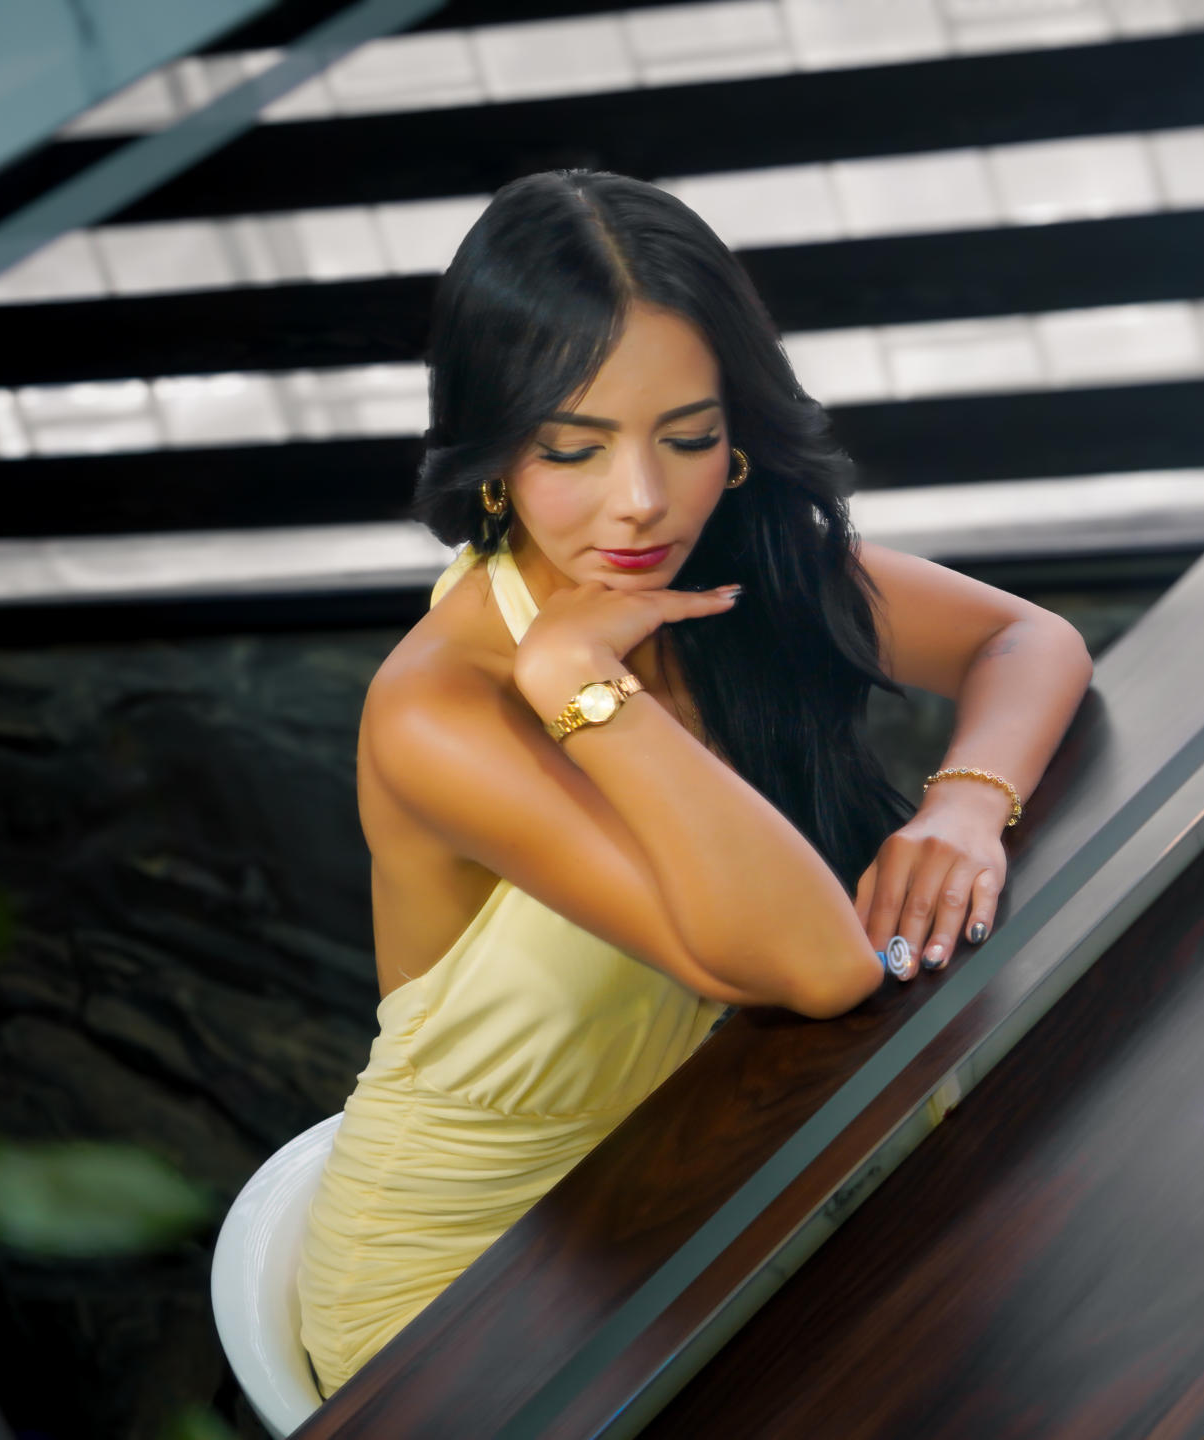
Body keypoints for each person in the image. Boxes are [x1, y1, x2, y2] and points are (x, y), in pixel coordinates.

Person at [295, 170, 1093, 1395]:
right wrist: (575, 676)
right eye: (573, 448)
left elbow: (1026, 639)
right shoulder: (438, 711)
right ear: (495, 454)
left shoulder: (726, 571)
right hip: (456, 1302)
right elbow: (819, 967)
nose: (642, 502)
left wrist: (965, 802)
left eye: (688, 438)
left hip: (670, 1205)